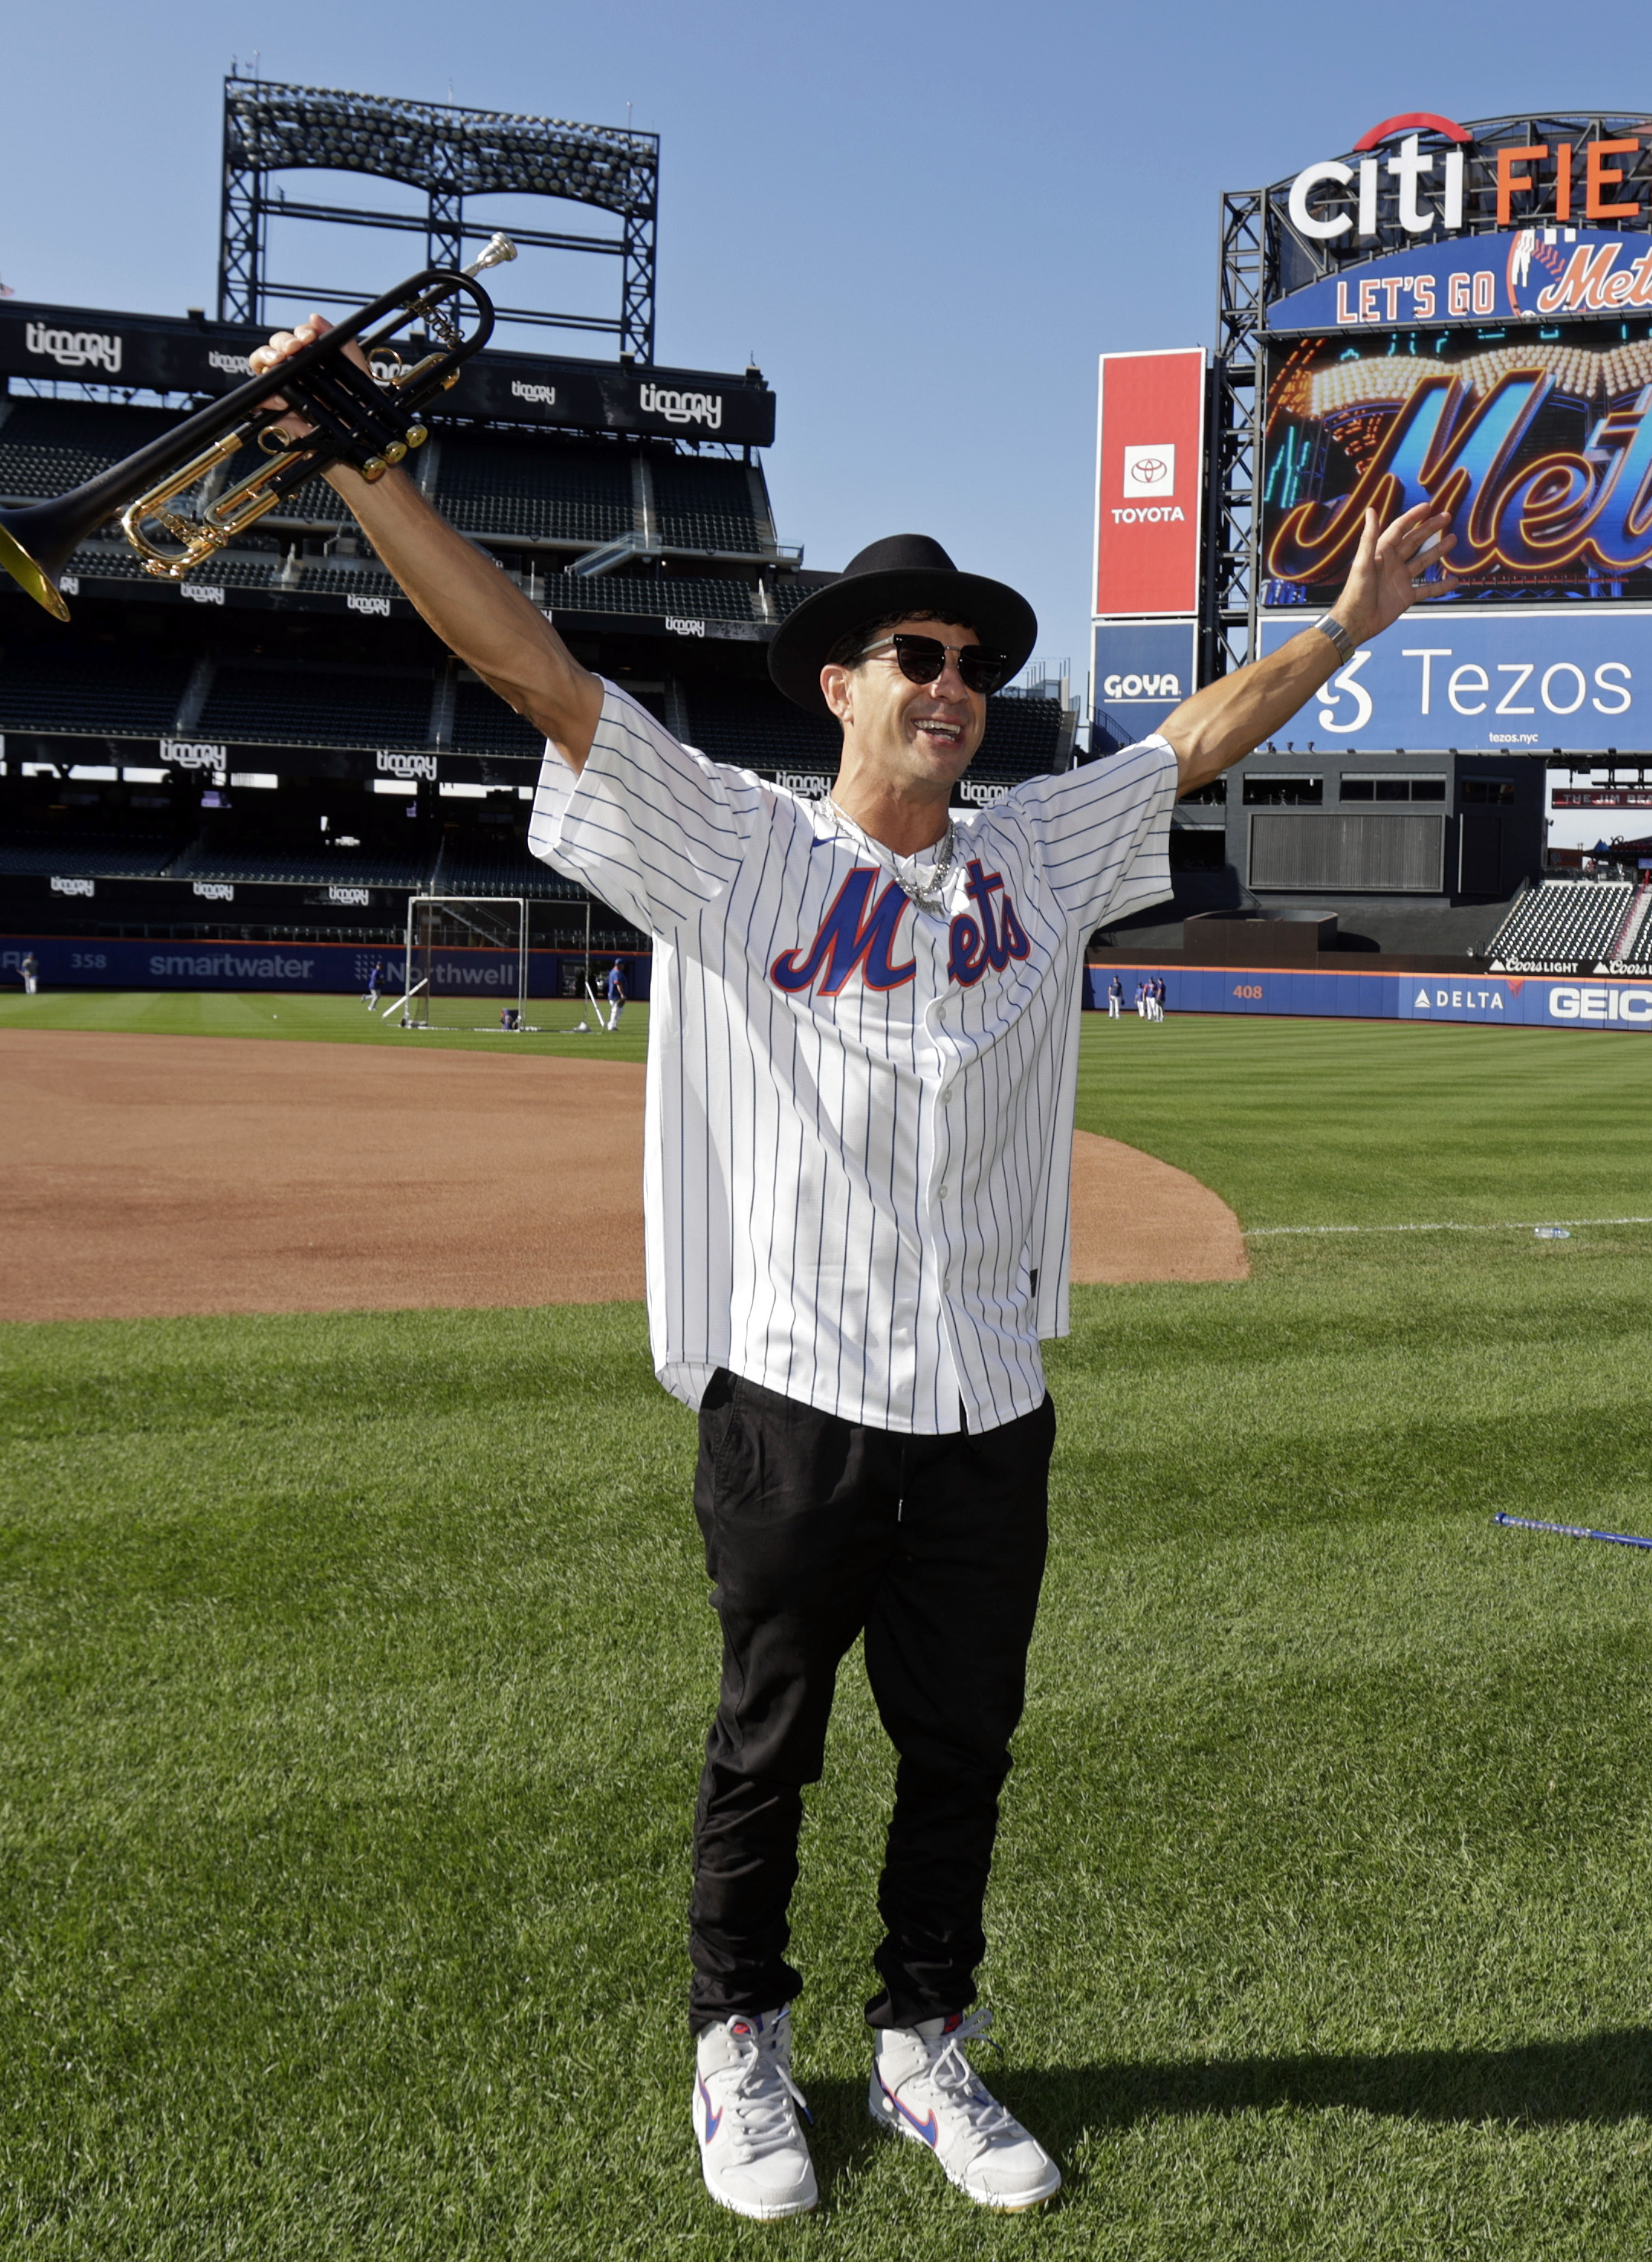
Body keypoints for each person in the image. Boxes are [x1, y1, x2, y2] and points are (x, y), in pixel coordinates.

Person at [251, 309, 1452, 2225]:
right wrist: (364, 469)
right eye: (921, 651)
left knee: (960, 1747)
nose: (954, 677)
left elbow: (1200, 732)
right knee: (767, 1741)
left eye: (976, 658)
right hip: (795, 1387)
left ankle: (920, 2040)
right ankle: (738, 2040)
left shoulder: (1043, 853)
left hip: (989, 1396)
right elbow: (536, 670)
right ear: (840, 681)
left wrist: (1354, 623)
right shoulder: (734, 850)